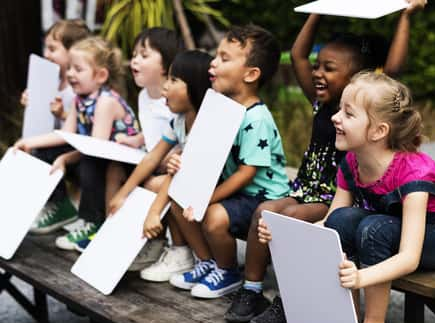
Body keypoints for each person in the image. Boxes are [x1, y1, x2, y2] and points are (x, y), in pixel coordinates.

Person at [225, 0, 427, 323]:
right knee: (264, 212)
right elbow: (299, 55)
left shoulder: (357, 110)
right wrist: (318, 8)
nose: (318, 73)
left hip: (336, 193)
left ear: (356, 77)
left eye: (329, 68)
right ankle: (251, 290)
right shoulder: (321, 104)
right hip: (306, 188)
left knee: (292, 221)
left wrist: (405, 17)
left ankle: (291, 299)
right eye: (319, 66)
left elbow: (393, 67)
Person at [259, 72, 435, 323]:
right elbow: (330, 226)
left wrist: (360, 278)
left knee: (374, 228)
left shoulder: (414, 170)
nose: (335, 117)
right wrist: (282, 235)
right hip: (389, 227)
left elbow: (410, 257)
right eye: (339, 110)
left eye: (348, 113)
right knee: (344, 220)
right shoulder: (351, 162)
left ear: (378, 131)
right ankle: (345, 320)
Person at [156, 24, 290, 298]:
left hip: (261, 197)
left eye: (224, 59)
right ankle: (208, 262)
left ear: (251, 74)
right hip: (235, 191)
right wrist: (178, 161)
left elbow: (247, 173)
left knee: (214, 216)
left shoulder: (256, 118)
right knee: (181, 195)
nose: (213, 63)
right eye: (215, 56)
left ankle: (228, 271)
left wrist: (208, 199)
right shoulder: (218, 107)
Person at [14, 36, 141, 252]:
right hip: (93, 153)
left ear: (100, 75)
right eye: (70, 68)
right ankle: (60, 206)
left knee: (89, 164)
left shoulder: (105, 102)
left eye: (78, 69)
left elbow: (97, 148)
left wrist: (64, 158)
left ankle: (93, 221)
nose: (70, 73)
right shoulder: (79, 98)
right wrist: (27, 142)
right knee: (44, 151)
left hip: (118, 163)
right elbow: (66, 134)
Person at [108, 50, 213, 274]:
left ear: (195, 87)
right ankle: (172, 247)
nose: (166, 87)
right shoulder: (179, 121)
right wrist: (123, 194)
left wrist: (153, 213)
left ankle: (183, 251)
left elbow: (179, 177)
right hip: (190, 183)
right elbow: (153, 157)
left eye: (174, 80)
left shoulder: (205, 125)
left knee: (163, 186)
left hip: (211, 187)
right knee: (151, 182)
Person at [21, 19, 90, 129]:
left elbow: (88, 125)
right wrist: (32, 103)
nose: (46, 54)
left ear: (73, 51)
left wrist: (63, 115)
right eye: (46, 48)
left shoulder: (80, 87)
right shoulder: (50, 81)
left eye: (52, 49)